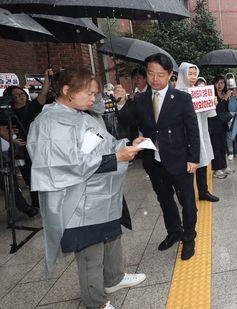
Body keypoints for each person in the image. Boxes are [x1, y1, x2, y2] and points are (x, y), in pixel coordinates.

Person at [26, 67, 146, 309]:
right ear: (67, 90)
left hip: (101, 193)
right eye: (89, 93)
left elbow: (107, 144)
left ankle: (114, 278)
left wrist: (127, 145)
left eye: (96, 94)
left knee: (111, 236)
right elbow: (60, 166)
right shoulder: (48, 122)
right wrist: (115, 158)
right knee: (91, 251)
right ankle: (96, 302)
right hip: (76, 201)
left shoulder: (82, 116)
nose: (94, 99)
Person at [115, 53, 200, 261]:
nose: (155, 78)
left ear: (169, 75)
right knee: (165, 201)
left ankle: (189, 237)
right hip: (154, 162)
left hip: (180, 160)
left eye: (160, 74)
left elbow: (192, 130)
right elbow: (126, 121)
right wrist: (120, 103)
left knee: (187, 201)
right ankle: (174, 232)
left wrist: (193, 158)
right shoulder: (141, 99)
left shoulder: (181, 98)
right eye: (151, 73)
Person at [3, 68, 52, 209]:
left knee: (43, 174)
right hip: (23, 149)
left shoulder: (32, 107)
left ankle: (46, 202)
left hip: (39, 146)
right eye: (15, 96)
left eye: (21, 94)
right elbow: (1, 129)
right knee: (30, 177)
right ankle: (37, 204)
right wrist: (12, 140)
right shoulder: (7, 113)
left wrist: (46, 78)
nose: (19, 97)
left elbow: (43, 94)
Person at [176, 62, 219, 202]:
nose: (193, 77)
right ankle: (186, 196)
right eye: (190, 73)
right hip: (184, 136)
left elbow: (208, 113)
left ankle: (203, 191)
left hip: (200, 131)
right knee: (188, 166)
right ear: (182, 74)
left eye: (195, 74)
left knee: (202, 161)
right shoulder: (177, 94)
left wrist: (212, 103)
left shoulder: (199, 92)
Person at [208, 75, 233, 179]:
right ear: (214, 84)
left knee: (223, 147)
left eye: (222, 83)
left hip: (223, 125)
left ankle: (223, 166)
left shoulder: (224, 94)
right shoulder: (211, 95)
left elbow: (227, 109)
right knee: (216, 147)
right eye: (217, 82)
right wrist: (225, 98)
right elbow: (216, 110)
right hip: (213, 125)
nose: (220, 85)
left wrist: (231, 98)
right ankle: (216, 169)